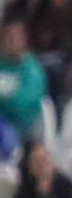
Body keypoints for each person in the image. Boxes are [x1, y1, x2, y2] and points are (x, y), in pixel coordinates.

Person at [0, 17, 47, 155]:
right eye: (7, 37)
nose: (11, 41)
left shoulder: (32, 70)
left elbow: (21, 103)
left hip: (23, 126)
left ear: (24, 39)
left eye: (14, 37)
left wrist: (3, 103)